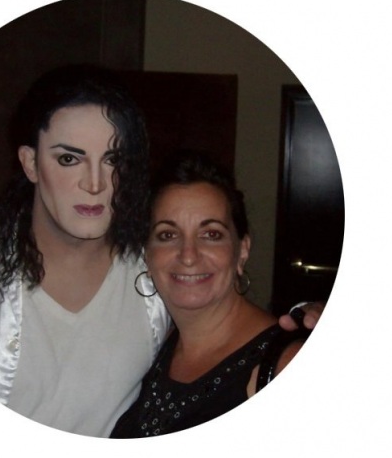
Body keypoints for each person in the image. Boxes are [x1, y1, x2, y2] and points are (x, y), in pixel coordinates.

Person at [0, 64, 320, 438]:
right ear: (31, 163)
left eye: (113, 160)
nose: (95, 183)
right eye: (69, 159)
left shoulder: (151, 274)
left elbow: (226, 320)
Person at [110, 153, 311, 438]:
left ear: (242, 250)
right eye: (168, 235)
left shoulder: (284, 363)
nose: (188, 256)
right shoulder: (154, 345)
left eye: (211, 234)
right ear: (147, 254)